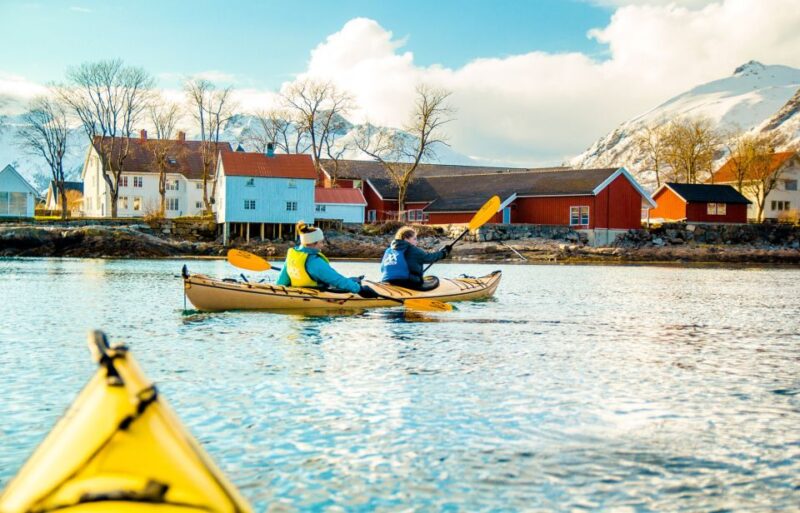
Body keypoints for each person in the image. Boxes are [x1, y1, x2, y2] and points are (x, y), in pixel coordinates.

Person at [277, 222, 379, 298]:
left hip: (298, 292)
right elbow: (336, 280)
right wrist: (359, 289)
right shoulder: (314, 262)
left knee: (352, 280)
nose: (323, 245)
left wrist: (277, 292)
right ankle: (355, 283)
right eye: (321, 242)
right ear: (314, 243)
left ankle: (354, 281)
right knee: (351, 283)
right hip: (314, 295)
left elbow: (282, 281)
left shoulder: (292, 255)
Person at [380, 227, 450, 290]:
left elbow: (382, 268)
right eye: (414, 239)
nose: (417, 241)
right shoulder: (413, 249)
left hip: (387, 281)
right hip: (407, 282)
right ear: (406, 239)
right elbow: (429, 258)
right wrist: (443, 253)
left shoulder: (389, 250)